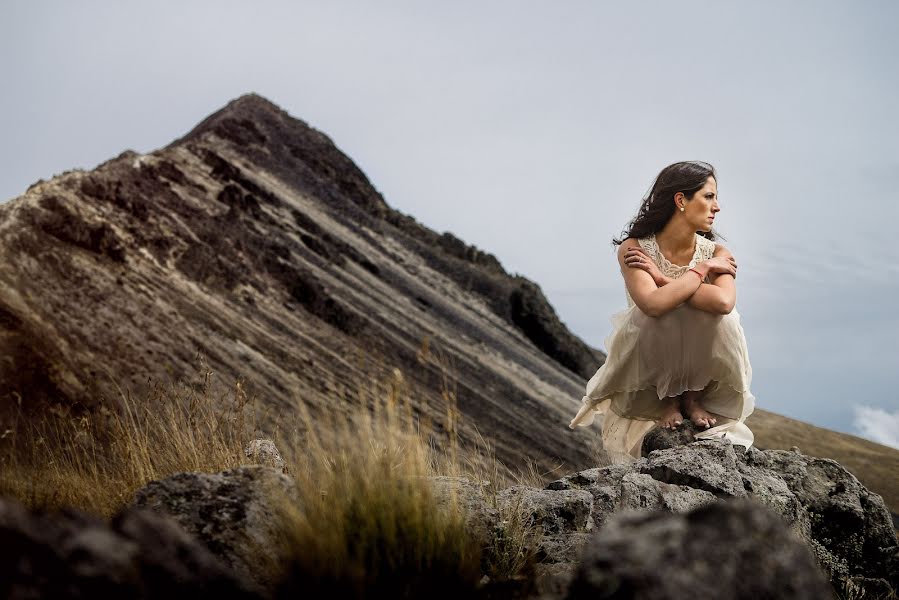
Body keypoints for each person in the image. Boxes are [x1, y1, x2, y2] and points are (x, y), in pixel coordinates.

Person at [568, 161, 755, 463]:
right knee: (659, 312)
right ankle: (669, 401)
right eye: (709, 197)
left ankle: (692, 399)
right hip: (650, 353)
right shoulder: (635, 248)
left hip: (701, 357)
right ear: (681, 200)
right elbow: (652, 305)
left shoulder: (719, 254)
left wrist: (667, 279)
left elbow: (723, 303)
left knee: (723, 319)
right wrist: (702, 271)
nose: (717, 207)